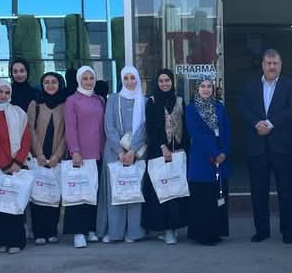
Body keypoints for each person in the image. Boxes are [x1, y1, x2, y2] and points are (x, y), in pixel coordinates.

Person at [238, 49, 292, 244]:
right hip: (257, 148)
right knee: (258, 192)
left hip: (282, 148)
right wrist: (256, 123)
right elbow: (242, 108)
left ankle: (287, 231)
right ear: (263, 65)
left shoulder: (290, 85)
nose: (272, 67)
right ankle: (262, 231)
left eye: (275, 63)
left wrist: (271, 124)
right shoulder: (250, 86)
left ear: (281, 65)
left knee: (286, 192)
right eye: (268, 63)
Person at [99, 65, 146, 243]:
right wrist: (120, 150)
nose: (129, 81)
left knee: (134, 190)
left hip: (137, 152)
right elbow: (109, 126)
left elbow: (144, 128)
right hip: (114, 152)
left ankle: (134, 231)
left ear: (137, 79)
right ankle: (115, 232)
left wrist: (132, 150)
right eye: (126, 78)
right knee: (116, 190)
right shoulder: (113, 99)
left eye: (132, 78)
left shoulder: (144, 101)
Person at [142, 68, 188, 245]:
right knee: (162, 190)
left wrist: (184, 149)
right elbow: (150, 128)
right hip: (158, 152)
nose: (164, 84)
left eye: (167, 80)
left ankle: (173, 228)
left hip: (178, 152)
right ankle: (164, 229)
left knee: (176, 191)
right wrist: (162, 146)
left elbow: (185, 127)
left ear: (172, 82)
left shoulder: (179, 101)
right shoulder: (152, 102)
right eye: (161, 81)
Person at [0, 79, 32, 254]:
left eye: (7, 92)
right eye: (0, 92)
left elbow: (26, 139)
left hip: (17, 166)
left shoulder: (18, 113)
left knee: (15, 205)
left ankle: (16, 241)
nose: (3, 95)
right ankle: (0, 240)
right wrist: (4, 163)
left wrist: (17, 162)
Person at [64, 65, 106, 248]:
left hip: (97, 153)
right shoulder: (72, 100)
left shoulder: (99, 100)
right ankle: (78, 232)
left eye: (91, 78)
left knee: (92, 193)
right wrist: (74, 150)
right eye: (85, 78)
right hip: (80, 154)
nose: (89, 81)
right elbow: (70, 127)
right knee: (78, 194)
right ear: (79, 80)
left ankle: (90, 228)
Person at [186, 77, 231, 246]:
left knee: (217, 195)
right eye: (202, 86)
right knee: (203, 198)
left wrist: (224, 152)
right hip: (202, 158)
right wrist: (214, 152)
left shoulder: (219, 107)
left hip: (220, 157)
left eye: (209, 86)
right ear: (197, 89)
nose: (206, 89)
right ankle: (202, 234)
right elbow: (196, 134)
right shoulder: (191, 109)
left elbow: (227, 131)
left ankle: (216, 232)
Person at [27, 71, 68, 245]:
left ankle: (52, 230)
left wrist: (57, 155)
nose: (50, 85)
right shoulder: (35, 104)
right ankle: (39, 232)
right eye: (46, 82)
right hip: (39, 157)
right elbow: (30, 130)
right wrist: (39, 154)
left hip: (56, 157)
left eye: (54, 82)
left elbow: (67, 133)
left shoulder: (65, 104)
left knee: (53, 195)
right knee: (38, 195)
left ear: (60, 84)